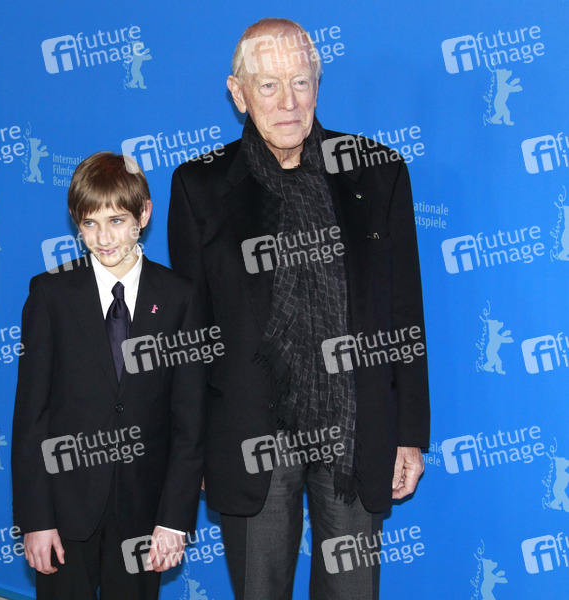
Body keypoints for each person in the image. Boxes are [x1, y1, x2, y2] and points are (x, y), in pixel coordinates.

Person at [167, 18, 429, 600]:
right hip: (249, 433)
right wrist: (193, 450)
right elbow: (191, 335)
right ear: (238, 93)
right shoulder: (198, 187)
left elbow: (404, 312)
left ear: (317, 85)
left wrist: (409, 433)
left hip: (355, 425)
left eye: (301, 82)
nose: (288, 103)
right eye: (268, 85)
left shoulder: (378, 172)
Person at [12, 152, 206, 600]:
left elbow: (189, 419)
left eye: (117, 221)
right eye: (90, 223)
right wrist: (37, 519)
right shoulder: (50, 294)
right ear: (75, 222)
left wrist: (174, 519)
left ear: (144, 214)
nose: (103, 238)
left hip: (144, 514)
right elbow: (31, 417)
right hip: (65, 510)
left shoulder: (179, 298)